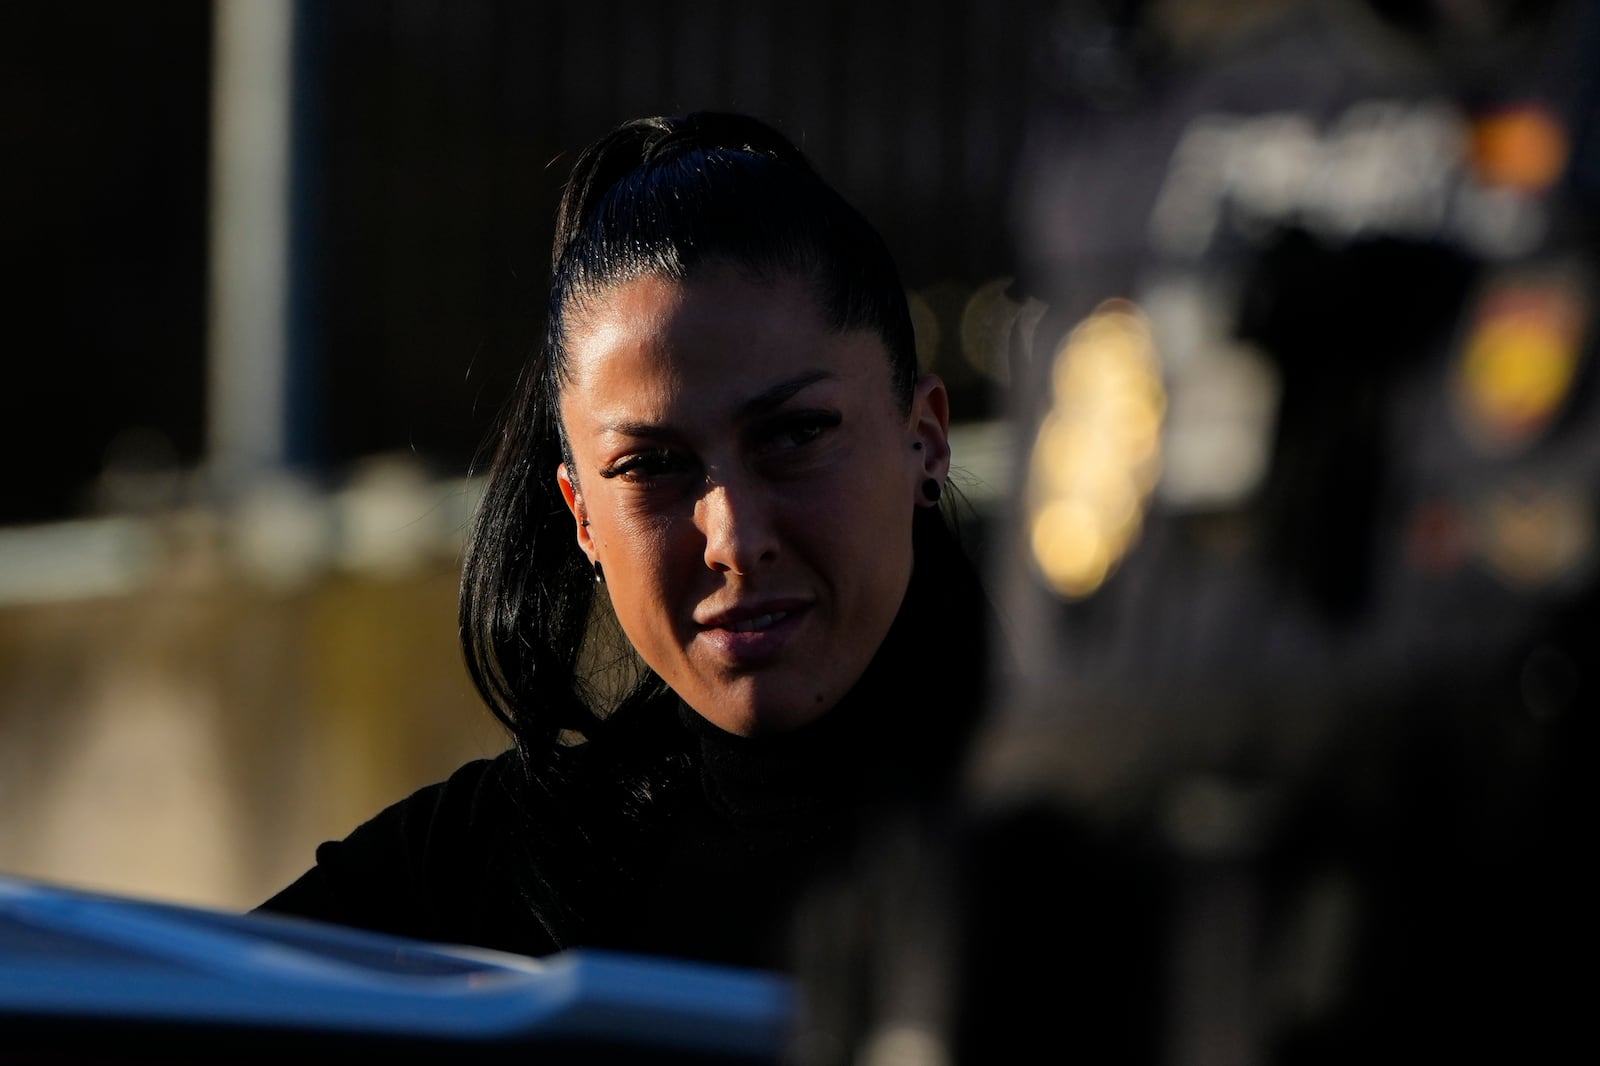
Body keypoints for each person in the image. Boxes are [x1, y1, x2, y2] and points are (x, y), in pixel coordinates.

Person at [256, 111, 994, 973]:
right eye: (651, 466)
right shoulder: (464, 884)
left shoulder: (1118, 843)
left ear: (926, 437)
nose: (734, 536)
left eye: (795, 436)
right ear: (580, 516)